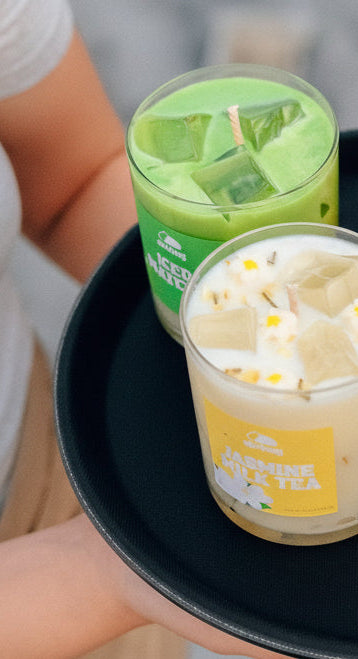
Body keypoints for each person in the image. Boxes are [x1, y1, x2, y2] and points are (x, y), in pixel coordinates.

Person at [0, 1, 292, 657]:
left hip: (51, 478)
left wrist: (236, 315)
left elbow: (72, 180)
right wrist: (100, 578)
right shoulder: (113, 568)